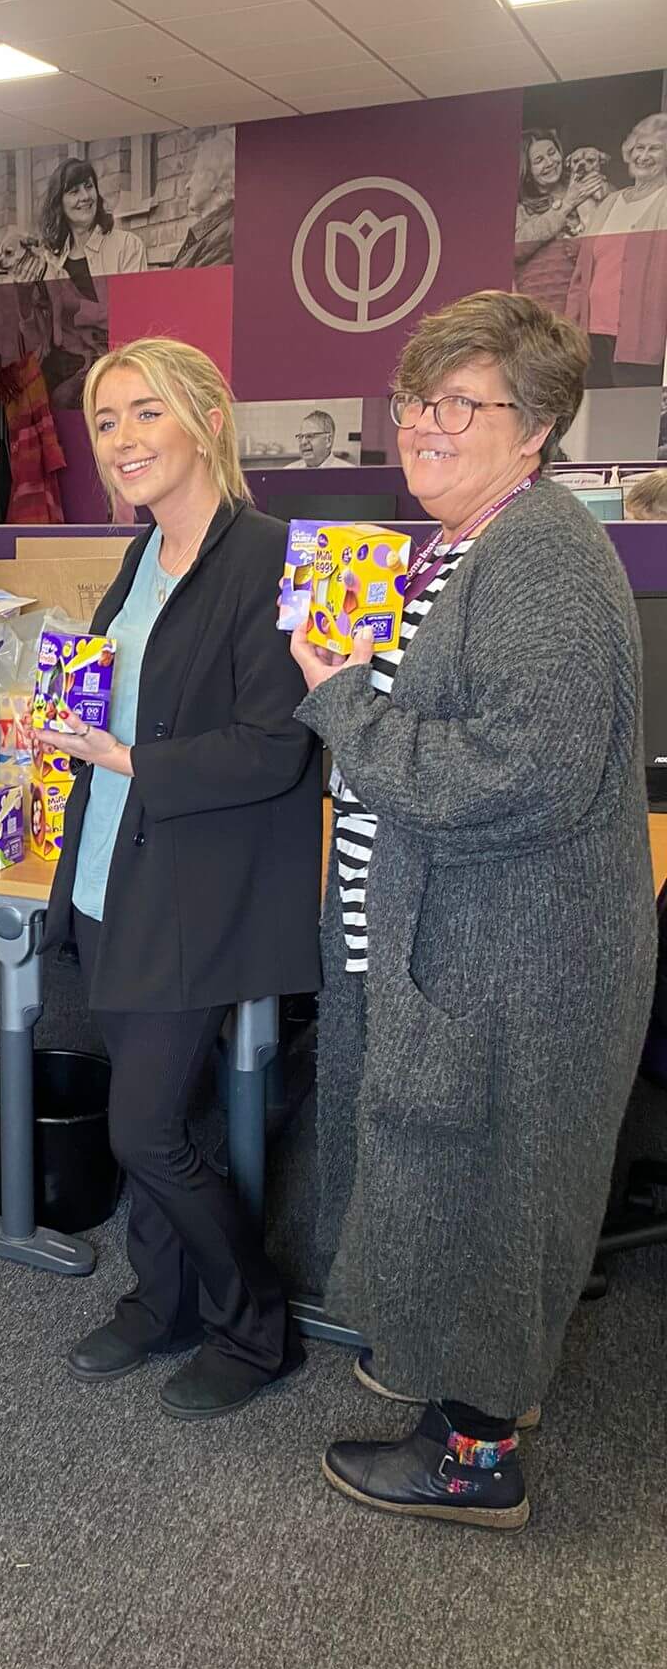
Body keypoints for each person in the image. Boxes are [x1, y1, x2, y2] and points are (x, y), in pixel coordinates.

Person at [289, 290, 656, 1529]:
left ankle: (474, 1452)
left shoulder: (540, 551)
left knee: (493, 1184)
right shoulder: (472, 543)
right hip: (469, 939)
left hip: (514, 957)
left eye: (462, 403)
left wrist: (342, 700)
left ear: (536, 423)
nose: (425, 425)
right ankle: (473, 1377)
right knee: (453, 1174)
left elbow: (520, 772)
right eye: (414, 400)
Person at [41, 337, 322, 1420]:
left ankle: (257, 1326)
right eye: (106, 422)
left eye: (143, 413)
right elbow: (137, 693)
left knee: (143, 1128)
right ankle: (160, 1301)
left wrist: (126, 758)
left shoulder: (266, 557)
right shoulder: (144, 552)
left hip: (195, 889)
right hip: (116, 869)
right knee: (145, 1108)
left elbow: (276, 744)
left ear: (205, 417)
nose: (121, 439)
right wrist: (77, 728)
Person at [566, 111, 667, 385]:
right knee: (595, 420)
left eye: (655, 148)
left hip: (641, 342)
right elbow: (581, 275)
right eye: (638, 148)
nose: (644, 155)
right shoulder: (610, 201)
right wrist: (570, 330)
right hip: (591, 338)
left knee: (631, 421)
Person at [11, 158, 145, 291]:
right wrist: (24, 291)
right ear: (59, 204)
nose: (85, 196)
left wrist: (72, 301)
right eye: (74, 191)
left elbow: (133, 309)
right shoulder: (52, 258)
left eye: (89, 186)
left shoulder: (128, 246)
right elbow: (36, 311)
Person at [512, 127, 606, 313]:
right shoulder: (520, 207)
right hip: (539, 305)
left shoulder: (588, 188)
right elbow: (517, 247)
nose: (549, 163)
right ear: (528, 171)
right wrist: (566, 205)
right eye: (539, 160)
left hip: (585, 299)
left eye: (552, 153)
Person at [168, 131, 235, 268]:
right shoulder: (215, 233)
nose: (188, 185)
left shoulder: (222, 237)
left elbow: (197, 289)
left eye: (194, 173)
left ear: (213, 180)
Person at [285, 409, 354, 468]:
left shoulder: (350, 473)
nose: (303, 442)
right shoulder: (287, 471)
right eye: (300, 437)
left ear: (328, 440)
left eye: (310, 436)